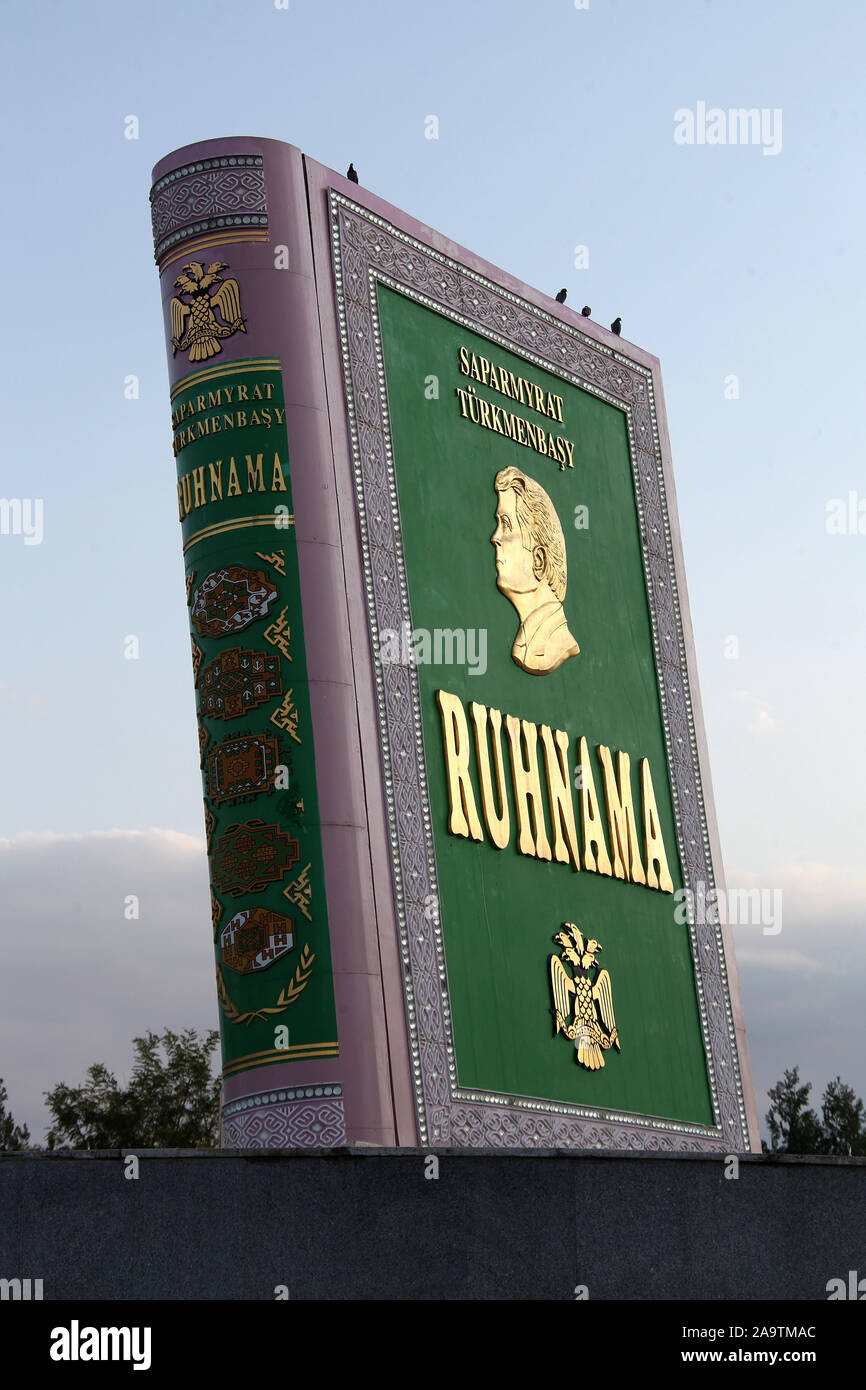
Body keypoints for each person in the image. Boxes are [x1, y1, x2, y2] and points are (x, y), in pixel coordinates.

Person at [491, 465, 580, 675]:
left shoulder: (557, 643)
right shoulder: (527, 640)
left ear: (539, 560)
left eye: (506, 525)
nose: (495, 538)